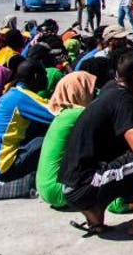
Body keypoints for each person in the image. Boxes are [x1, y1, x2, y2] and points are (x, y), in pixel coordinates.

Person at [58, 51, 133, 237]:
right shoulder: (124, 99)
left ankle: (95, 213)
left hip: (71, 184)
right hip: (83, 185)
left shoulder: (110, 89)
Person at [0, 61, 54, 181]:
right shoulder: (22, 97)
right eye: (44, 75)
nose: (47, 79)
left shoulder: (12, 93)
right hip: (4, 168)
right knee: (54, 136)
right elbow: (55, 115)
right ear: (36, 76)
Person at [36, 71, 98, 209]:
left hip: (46, 190)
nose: (94, 94)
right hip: (61, 189)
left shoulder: (63, 115)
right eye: (91, 89)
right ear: (79, 91)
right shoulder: (78, 114)